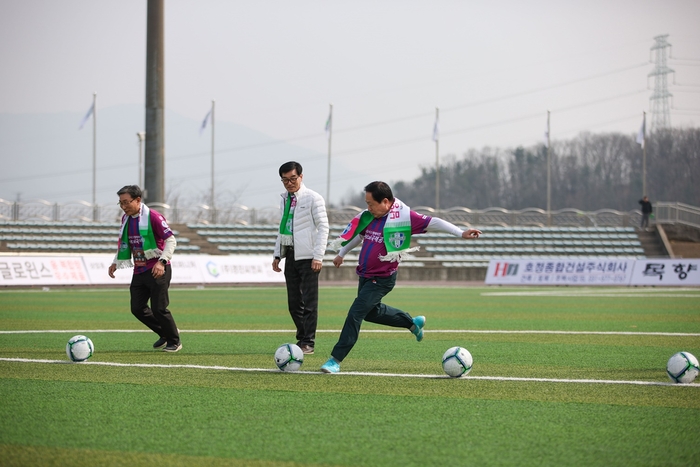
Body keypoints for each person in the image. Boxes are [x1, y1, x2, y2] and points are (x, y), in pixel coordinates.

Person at [320, 181, 482, 373]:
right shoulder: (370, 216)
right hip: (364, 275)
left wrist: (460, 233)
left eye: (371, 203)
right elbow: (359, 236)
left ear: (386, 202)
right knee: (371, 312)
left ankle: (335, 360)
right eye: (367, 203)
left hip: (381, 279)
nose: (368, 208)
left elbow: (434, 222)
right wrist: (342, 253)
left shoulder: (404, 217)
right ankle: (411, 323)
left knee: (355, 313)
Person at [108, 185, 182, 352]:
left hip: (158, 269)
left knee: (159, 308)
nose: (123, 206)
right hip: (140, 268)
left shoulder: (153, 217)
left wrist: (161, 262)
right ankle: (164, 332)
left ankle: (174, 341)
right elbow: (126, 244)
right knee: (137, 308)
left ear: (138, 200)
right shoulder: (125, 219)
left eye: (126, 202)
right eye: (120, 203)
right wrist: (115, 262)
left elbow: (171, 241)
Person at [272, 161, 329, 355]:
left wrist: (318, 256)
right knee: (294, 303)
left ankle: (308, 342)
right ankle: (302, 336)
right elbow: (283, 227)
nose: (289, 183)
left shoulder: (313, 198)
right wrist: (278, 254)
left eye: (293, 178)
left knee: (310, 302)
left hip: (309, 256)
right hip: (291, 255)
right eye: (285, 180)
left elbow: (323, 227)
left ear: (301, 177)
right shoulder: (284, 199)